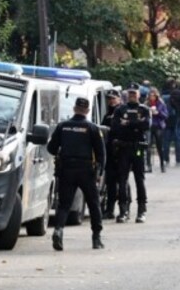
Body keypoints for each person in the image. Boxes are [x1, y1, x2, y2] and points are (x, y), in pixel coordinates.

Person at [47, 97, 106, 251]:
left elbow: (51, 148)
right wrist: (99, 172)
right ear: (87, 110)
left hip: (66, 169)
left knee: (64, 204)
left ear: (74, 109)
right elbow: (101, 153)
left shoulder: (62, 126)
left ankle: (58, 230)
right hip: (86, 170)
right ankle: (96, 238)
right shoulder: (92, 128)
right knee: (93, 204)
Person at [110, 83, 150, 223]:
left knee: (140, 179)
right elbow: (115, 127)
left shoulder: (144, 109)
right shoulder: (120, 109)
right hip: (124, 148)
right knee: (122, 180)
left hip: (137, 147)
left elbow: (146, 125)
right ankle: (123, 210)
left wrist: (128, 123)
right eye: (130, 93)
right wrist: (135, 124)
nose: (132, 95)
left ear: (139, 94)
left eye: (134, 93)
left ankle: (141, 210)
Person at [101, 89, 122, 219]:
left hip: (121, 152)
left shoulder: (122, 112)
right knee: (111, 182)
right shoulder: (107, 114)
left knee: (122, 182)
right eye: (109, 99)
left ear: (119, 99)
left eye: (113, 98)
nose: (111, 101)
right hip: (109, 152)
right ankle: (110, 209)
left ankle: (123, 209)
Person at [162, 79, 180, 167]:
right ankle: (178, 161)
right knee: (178, 140)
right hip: (178, 118)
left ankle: (166, 160)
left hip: (166, 120)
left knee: (166, 141)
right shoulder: (179, 93)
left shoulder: (163, 95)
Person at [146, 87, 168, 173]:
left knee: (159, 146)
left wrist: (158, 113)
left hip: (158, 126)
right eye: (150, 96)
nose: (152, 97)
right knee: (148, 146)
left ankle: (162, 164)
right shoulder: (146, 103)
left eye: (153, 96)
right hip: (149, 126)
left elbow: (165, 115)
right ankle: (148, 166)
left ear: (156, 96)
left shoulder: (161, 103)